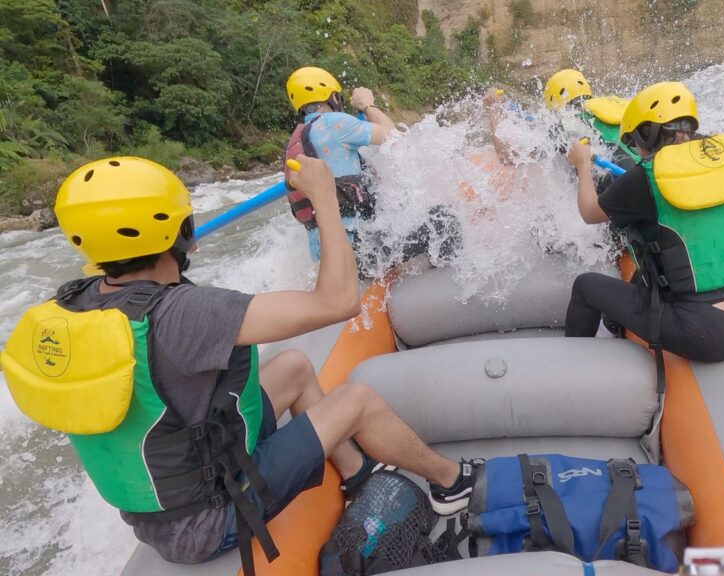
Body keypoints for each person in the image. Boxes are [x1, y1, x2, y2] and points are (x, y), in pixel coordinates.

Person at [0, 156, 477, 575]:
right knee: (358, 401)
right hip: (210, 519)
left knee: (292, 366)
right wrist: (325, 199)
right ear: (183, 232)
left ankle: (356, 474)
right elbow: (338, 301)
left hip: (162, 509)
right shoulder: (186, 314)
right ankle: (451, 483)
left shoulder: (71, 304)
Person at [563, 81, 724, 373]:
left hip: (705, 333)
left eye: (634, 142)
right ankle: (617, 324)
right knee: (647, 271)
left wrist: (583, 165)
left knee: (586, 286)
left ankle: (572, 371)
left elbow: (589, 212)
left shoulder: (646, 177)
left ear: (644, 136)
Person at [283, 67, 460, 273]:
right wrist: (367, 105)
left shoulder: (296, 141)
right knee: (444, 220)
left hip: (330, 263)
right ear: (333, 97)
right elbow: (395, 138)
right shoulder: (333, 123)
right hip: (359, 255)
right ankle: (440, 281)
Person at [483, 69, 637, 192]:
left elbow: (506, 156)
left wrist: (492, 110)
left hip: (624, 189)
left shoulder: (562, 127)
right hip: (646, 174)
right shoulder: (620, 107)